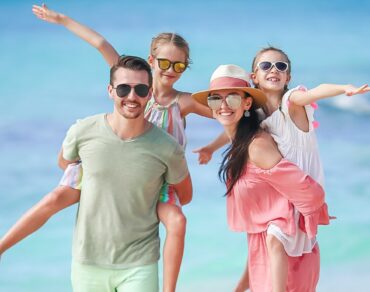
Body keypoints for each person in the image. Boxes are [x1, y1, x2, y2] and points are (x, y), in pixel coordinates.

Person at [31, 5, 212, 291]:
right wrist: (61, 19)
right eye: (164, 63)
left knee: (177, 221)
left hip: (160, 181)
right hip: (117, 168)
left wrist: (253, 100)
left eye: (179, 66)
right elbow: (100, 43)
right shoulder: (132, 84)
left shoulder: (184, 101)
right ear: (151, 60)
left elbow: (229, 112)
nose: (170, 71)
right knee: (54, 198)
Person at [0, 55, 192, 292]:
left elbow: (184, 195)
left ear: (149, 94)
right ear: (110, 91)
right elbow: (65, 163)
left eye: (140, 89)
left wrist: (145, 193)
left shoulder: (167, 147)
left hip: (139, 265)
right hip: (87, 262)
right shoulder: (83, 131)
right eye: (123, 88)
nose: (132, 96)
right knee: (54, 198)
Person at [193, 47, 370, 291]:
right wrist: (211, 148)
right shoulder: (255, 116)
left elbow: (317, 91)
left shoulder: (292, 101)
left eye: (281, 66)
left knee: (275, 238)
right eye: (266, 66)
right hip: (286, 190)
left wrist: (344, 88)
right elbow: (231, 131)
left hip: (302, 183)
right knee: (271, 237)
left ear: (289, 77)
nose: (273, 70)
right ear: (254, 76)